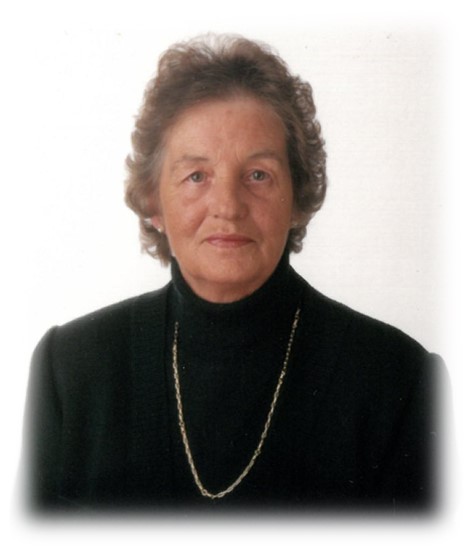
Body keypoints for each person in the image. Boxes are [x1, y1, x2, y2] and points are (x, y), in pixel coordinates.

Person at [23, 34, 444, 514]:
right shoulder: (70, 368)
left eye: (258, 175)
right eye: (196, 176)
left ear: (298, 197)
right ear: (153, 202)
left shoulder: (400, 382)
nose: (227, 206)